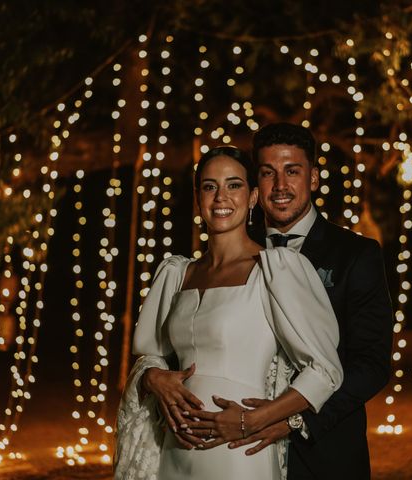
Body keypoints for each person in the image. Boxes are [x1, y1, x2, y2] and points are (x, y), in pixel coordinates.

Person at [115, 146, 343, 480]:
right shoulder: (176, 274)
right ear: (198, 197)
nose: (221, 196)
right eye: (210, 186)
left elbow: (325, 370)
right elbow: (151, 356)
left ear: (252, 197)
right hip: (175, 449)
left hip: (238, 451)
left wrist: (252, 421)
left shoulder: (277, 270)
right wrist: (154, 378)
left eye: (233, 185)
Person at [192, 123, 394, 479]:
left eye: (293, 171)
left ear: (313, 178)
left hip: (323, 451)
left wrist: (293, 420)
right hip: (235, 452)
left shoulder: (356, 255)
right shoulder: (233, 250)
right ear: (256, 185)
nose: (280, 186)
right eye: (268, 173)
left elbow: (371, 364)